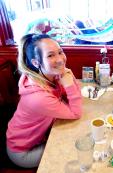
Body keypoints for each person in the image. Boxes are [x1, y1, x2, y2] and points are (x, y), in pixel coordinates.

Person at [6, 33, 82, 168]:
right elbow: (76, 113)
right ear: (36, 62)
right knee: (73, 149)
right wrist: (69, 83)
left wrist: (68, 77)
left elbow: (74, 94)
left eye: (60, 52)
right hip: (23, 152)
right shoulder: (38, 97)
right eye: (50, 55)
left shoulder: (47, 75)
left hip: (39, 137)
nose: (60, 59)